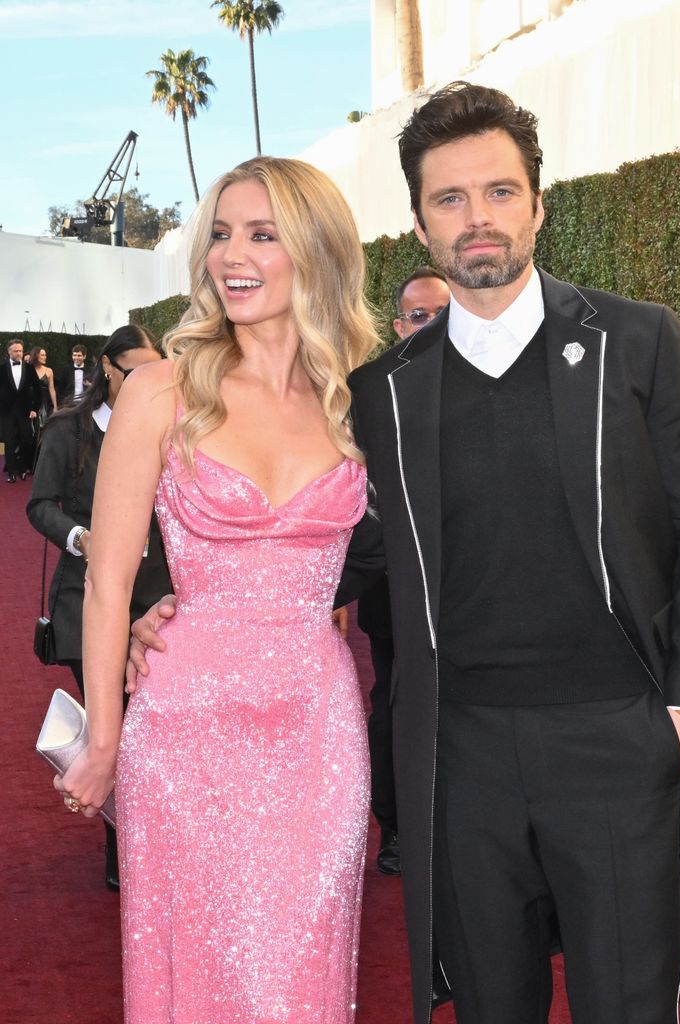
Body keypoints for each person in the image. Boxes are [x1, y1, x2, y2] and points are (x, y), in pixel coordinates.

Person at [131, 83, 680, 1023]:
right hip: (460, 759)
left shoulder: (636, 342)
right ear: (419, 224)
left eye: (498, 192)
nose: (476, 218)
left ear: (538, 203)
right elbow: (335, 537)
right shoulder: (384, 391)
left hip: (618, 741)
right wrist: (179, 607)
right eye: (448, 200)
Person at [53, 157, 380, 1022]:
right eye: (222, 235)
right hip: (185, 730)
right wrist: (104, 743)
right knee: (195, 975)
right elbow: (109, 581)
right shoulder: (164, 390)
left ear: (313, 252)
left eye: (262, 234)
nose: (231, 255)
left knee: (300, 976)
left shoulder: (361, 398)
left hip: (317, 732)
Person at [27, 325, 171, 889]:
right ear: (107, 368)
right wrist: (83, 537)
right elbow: (40, 506)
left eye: (152, 368)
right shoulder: (69, 429)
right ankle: (124, 854)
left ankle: (156, 846)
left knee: (154, 731)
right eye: (132, 370)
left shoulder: (174, 422)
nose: (144, 380)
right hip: (86, 601)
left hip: (160, 599)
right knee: (113, 726)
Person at [358, 266, 450, 876]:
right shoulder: (370, 394)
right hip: (394, 591)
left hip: (473, 594)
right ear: (397, 326)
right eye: (419, 316)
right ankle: (396, 830)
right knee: (396, 708)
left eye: (442, 314)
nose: (432, 326)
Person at [0, 338, 40, 481]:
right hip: (6, 412)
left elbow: (37, 389)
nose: (19, 353)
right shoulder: (2, 369)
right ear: (9, 351)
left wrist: (35, 408)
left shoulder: (29, 368)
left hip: (25, 411)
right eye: (16, 351)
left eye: (21, 351)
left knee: (26, 440)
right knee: (9, 442)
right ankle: (11, 473)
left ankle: (22, 469)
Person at [28, 346, 58, 426]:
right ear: (36, 356)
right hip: (31, 403)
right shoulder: (27, 370)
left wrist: (55, 407)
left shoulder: (49, 371)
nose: (45, 357)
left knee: (46, 427)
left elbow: (52, 389)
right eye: (42, 355)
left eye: (45, 355)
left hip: (46, 404)